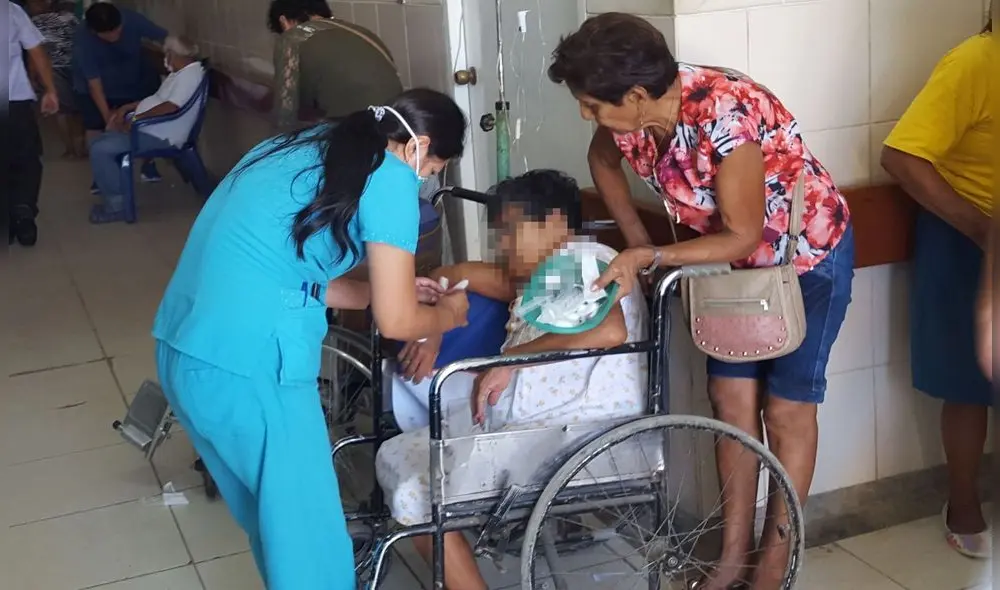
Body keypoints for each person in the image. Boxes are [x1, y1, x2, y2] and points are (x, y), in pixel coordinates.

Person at [548, 13, 854, 589]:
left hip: (804, 260)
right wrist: (637, 243)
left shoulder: (724, 115)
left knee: (786, 409)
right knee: (730, 402)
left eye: (591, 105)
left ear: (635, 96)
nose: (586, 115)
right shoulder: (634, 119)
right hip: (726, 272)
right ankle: (730, 557)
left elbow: (743, 234)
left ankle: (773, 565)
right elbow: (602, 161)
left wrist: (652, 255)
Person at [152, 88, 469, 590]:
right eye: (431, 171)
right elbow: (397, 323)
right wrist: (449, 314)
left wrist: (384, 289)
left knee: (279, 531)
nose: (424, 181)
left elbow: (287, 270)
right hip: (253, 368)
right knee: (310, 543)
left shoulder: (301, 146)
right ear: (418, 146)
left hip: (189, 351)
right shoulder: (389, 177)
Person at [375, 169, 649, 590]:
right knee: (406, 462)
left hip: (575, 430)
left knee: (415, 486)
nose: (501, 246)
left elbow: (610, 330)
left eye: (510, 231)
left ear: (554, 222)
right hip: (541, 424)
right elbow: (456, 274)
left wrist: (510, 361)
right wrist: (432, 328)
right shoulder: (550, 273)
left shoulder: (586, 261)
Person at [880, 18, 995, 560]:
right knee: (968, 380)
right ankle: (963, 503)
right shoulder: (976, 61)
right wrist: (980, 229)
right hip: (967, 235)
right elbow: (902, 156)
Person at [87, 35, 205, 223]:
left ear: (174, 54)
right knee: (100, 141)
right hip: (151, 129)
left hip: (161, 135)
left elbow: (171, 107)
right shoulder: (179, 74)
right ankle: (115, 197)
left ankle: (118, 207)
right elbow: (157, 100)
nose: (165, 58)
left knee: (101, 149)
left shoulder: (189, 75)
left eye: (167, 53)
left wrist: (137, 119)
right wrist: (128, 108)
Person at [268, 0, 403, 131]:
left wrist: (273, 141)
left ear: (283, 21)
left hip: (358, 128)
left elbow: (285, 111)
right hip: (397, 119)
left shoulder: (292, 38)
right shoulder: (358, 31)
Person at [72, 1, 167, 184]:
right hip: (92, 87)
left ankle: (148, 164)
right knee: (95, 127)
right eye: (107, 34)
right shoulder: (83, 40)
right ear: (93, 31)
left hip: (132, 82)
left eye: (117, 30)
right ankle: (101, 174)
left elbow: (164, 37)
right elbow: (94, 84)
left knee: (142, 122)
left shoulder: (132, 19)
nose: (114, 36)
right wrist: (108, 117)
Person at [6, 0, 60, 247]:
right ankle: (23, 213)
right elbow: (37, 51)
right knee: (25, 159)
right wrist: (50, 90)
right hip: (14, 100)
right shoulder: (10, 10)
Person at [24, 0, 85, 158]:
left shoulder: (35, 22)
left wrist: (32, 77)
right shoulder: (71, 18)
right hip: (76, 66)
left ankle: (70, 149)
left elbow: (35, 53)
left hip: (53, 69)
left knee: (62, 111)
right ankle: (81, 148)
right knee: (78, 108)